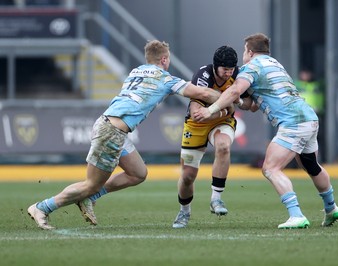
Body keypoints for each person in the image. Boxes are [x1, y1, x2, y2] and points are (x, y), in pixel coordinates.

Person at [27, 40, 222, 230]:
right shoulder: (164, 78)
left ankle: (91, 198)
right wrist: (230, 98)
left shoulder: (136, 71)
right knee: (91, 185)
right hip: (111, 132)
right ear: (164, 60)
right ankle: (42, 207)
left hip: (111, 127)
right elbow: (203, 93)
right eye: (168, 59)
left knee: (138, 173)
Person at [193, 33, 338, 229]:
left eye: (244, 51)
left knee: (270, 168)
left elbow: (234, 91)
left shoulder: (251, 67)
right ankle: (331, 208)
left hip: (293, 123)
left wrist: (210, 110)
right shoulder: (275, 64)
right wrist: (238, 101)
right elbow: (253, 105)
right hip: (310, 118)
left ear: (249, 51)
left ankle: (296, 215)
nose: (243, 56)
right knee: (311, 165)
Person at [172, 45, 250, 229]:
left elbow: (247, 105)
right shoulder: (203, 75)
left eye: (231, 69)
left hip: (221, 122)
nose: (228, 73)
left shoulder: (238, 75)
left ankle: (216, 199)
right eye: (225, 69)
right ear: (215, 66)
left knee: (223, 146)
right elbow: (195, 112)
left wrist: (233, 103)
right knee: (188, 177)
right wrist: (225, 108)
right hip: (196, 125)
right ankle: (184, 211)